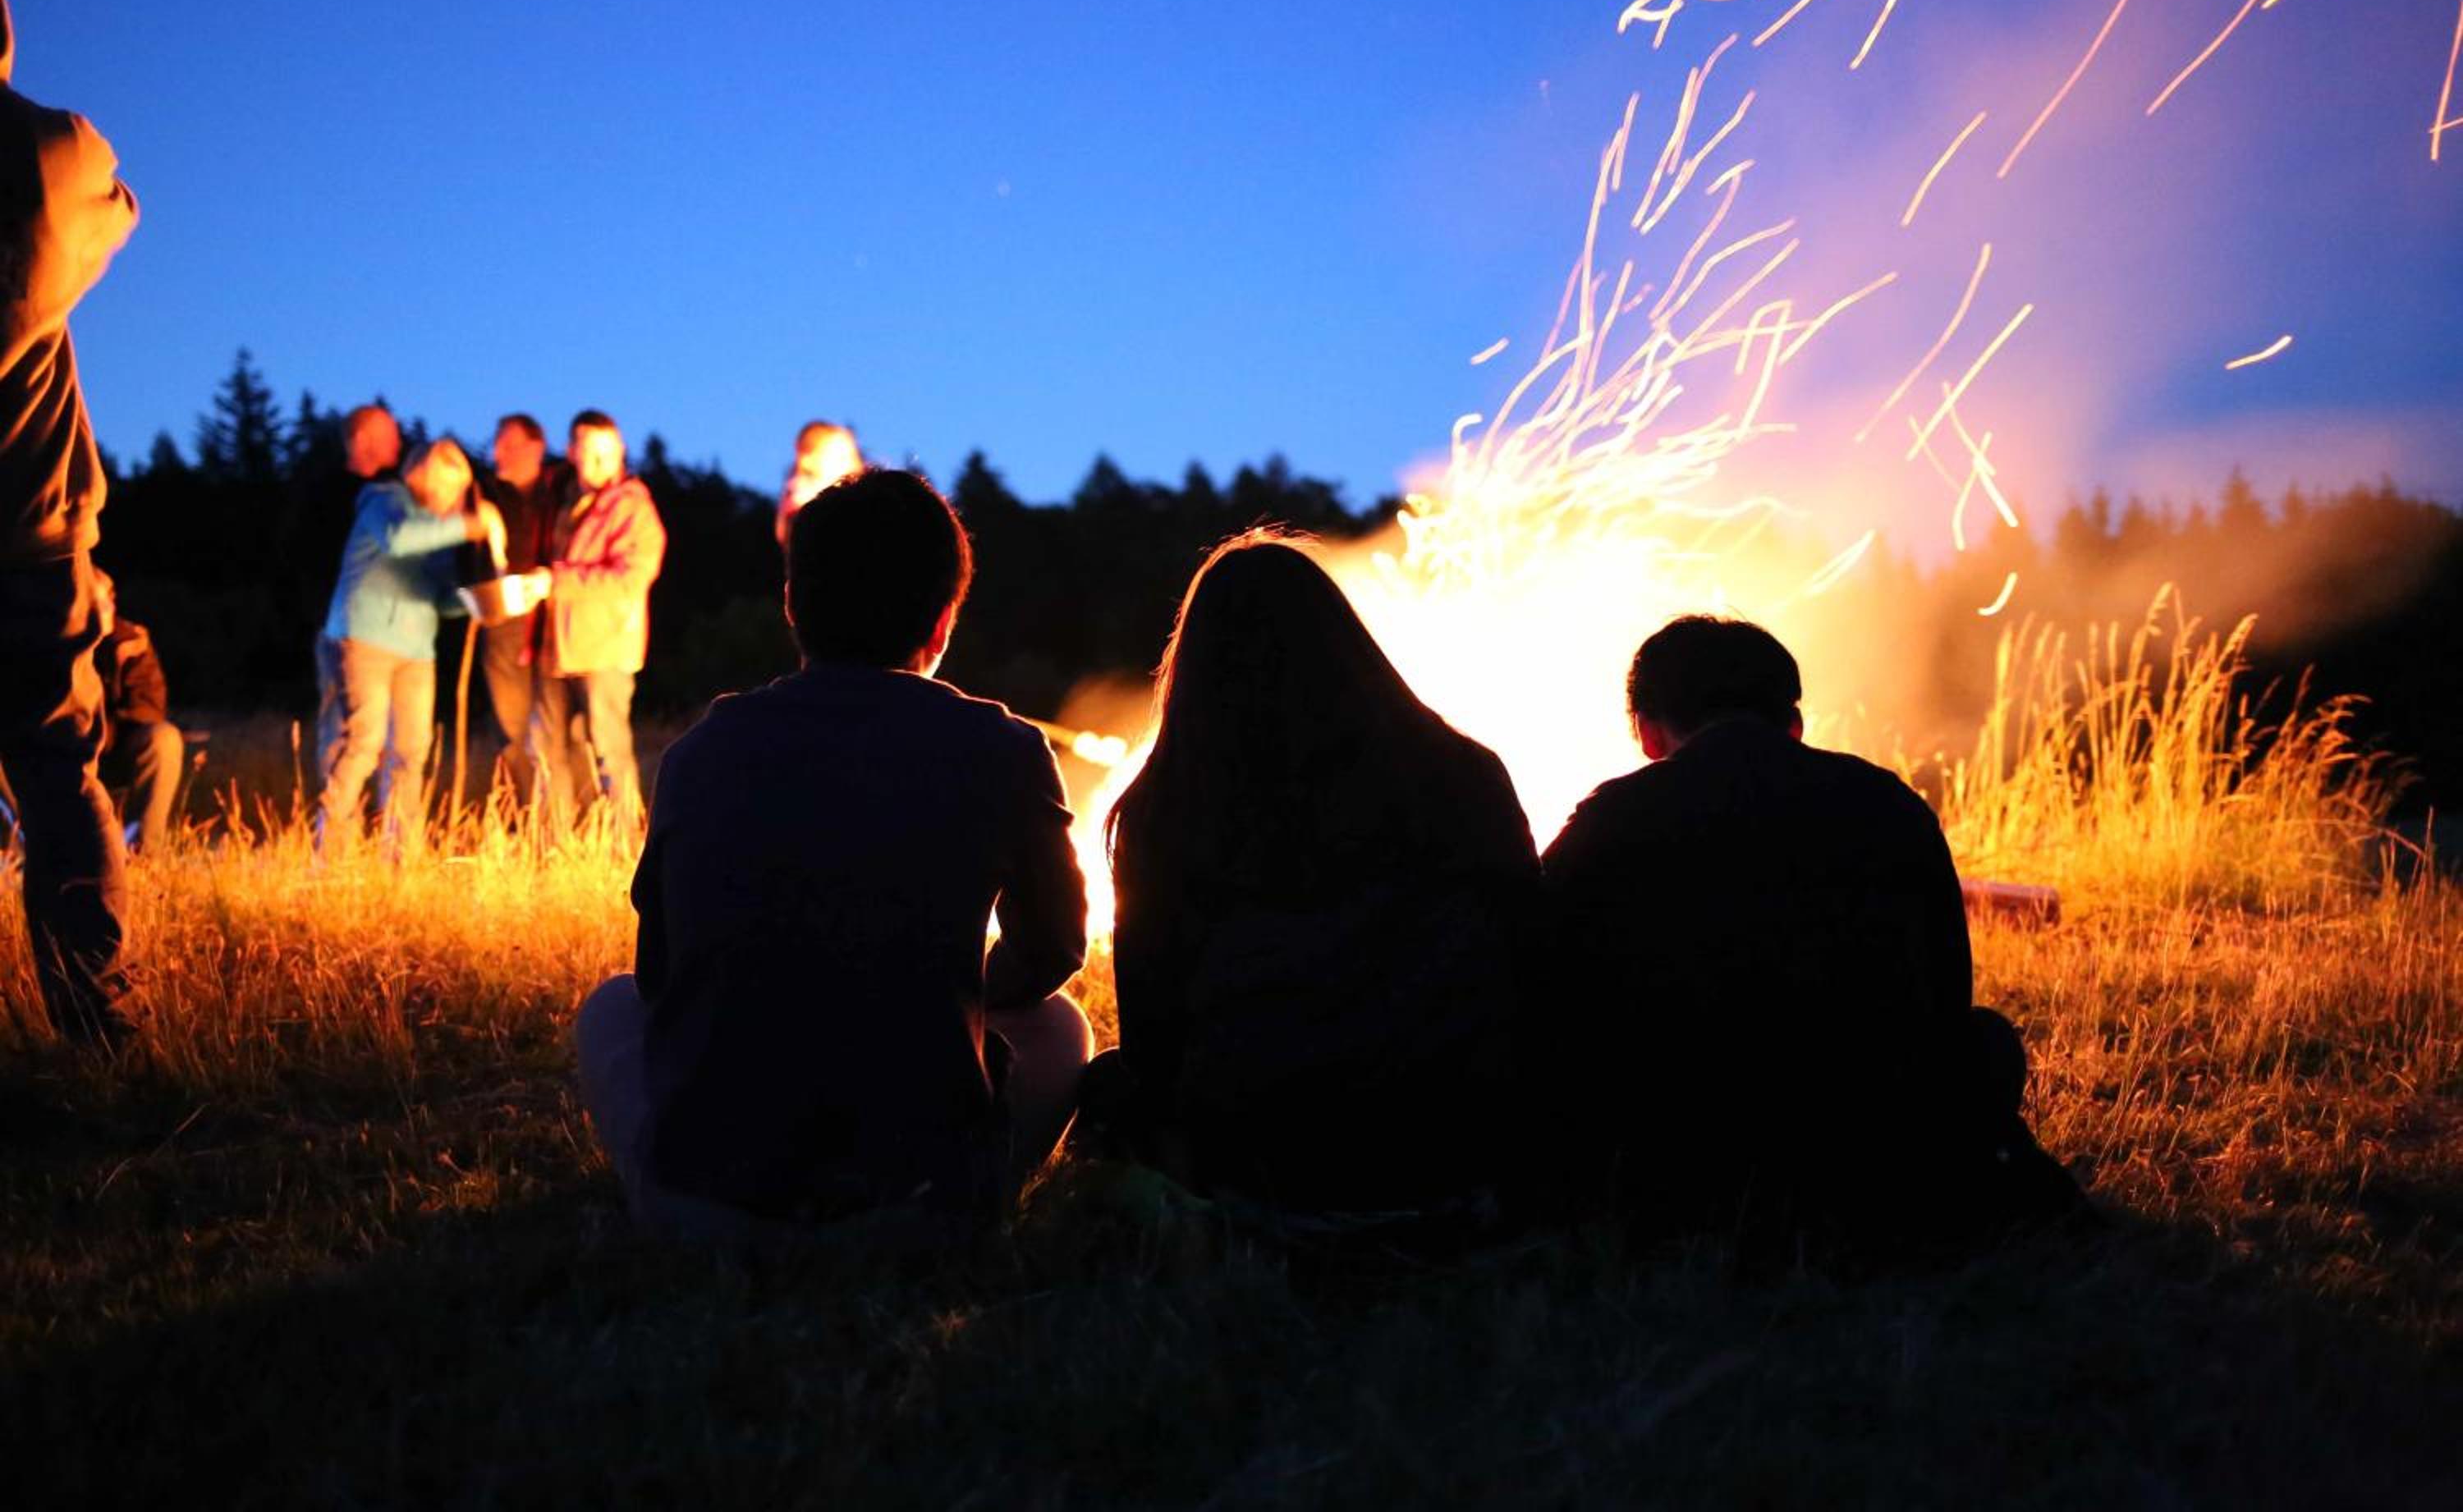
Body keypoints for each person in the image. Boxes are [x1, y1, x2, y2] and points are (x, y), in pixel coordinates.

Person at [576, 466, 1093, 1244]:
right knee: (1062, 1027)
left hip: (709, 1203)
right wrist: (962, 997)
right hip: (925, 1199)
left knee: (610, 1008)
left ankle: (694, 1192)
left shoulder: (702, 750)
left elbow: (661, 971)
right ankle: (940, 1194)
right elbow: (1054, 949)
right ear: (943, 622)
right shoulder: (1005, 747)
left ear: (792, 604)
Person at [1534, 615, 2080, 1260]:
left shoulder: (1607, 821)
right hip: (1874, 1145)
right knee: (1986, 1041)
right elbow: (1944, 991)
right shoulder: (1889, 804)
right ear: (1793, 722)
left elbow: (1539, 983)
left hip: (1676, 1157)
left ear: (1649, 732)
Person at [1096, 535, 1539, 1218]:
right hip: (1454, 1138)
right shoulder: (1465, 772)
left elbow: (1152, 1044)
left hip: (1261, 1154)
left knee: (1104, 1086)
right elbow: (1531, 951)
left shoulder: (1166, 809)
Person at [0, 0, 141, 1046]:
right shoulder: (47, 151)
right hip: (33, 526)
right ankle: (98, 1025)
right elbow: (118, 206)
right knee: (57, 771)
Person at [316, 438, 502, 845]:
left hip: (417, 652)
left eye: (460, 491)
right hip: (364, 640)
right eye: (450, 487)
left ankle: (402, 850)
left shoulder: (437, 530)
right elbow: (398, 539)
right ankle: (330, 845)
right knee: (363, 742)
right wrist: (472, 524)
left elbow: (438, 598)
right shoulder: (384, 501)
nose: (455, 498)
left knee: (411, 751)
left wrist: (483, 602)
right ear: (426, 476)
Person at [536, 410, 664, 828]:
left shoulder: (633, 507)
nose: (598, 463)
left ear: (621, 452)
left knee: (610, 750)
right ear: (571, 451)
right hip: (560, 647)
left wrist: (556, 581)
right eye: (589, 453)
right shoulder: (563, 499)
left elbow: (632, 577)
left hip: (607, 647)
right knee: (557, 750)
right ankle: (561, 841)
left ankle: (624, 841)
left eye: (606, 454)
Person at [469, 412, 571, 809]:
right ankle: (527, 814)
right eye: (497, 444)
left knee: (557, 730)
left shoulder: (559, 488)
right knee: (511, 728)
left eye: (509, 445)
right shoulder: (485, 493)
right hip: (503, 620)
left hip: (553, 621)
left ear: (536, 448)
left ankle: (565, 817)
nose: (498, 452)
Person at [309, 402, 404, 803]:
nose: (398, 443)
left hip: (393, 633)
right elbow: (300, 558)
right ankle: (338, 822)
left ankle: (386, 822)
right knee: (344, 730)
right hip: (340, 631)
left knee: (392, 734)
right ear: (362, 440)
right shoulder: (328, 496)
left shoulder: (395, 495)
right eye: (389, 435)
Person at [91, 569, 184, 853]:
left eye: (108, 599)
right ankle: (29, 847)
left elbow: (147, 708)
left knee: (164, 739)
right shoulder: (51, 647)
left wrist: (99, 735)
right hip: (59, 755)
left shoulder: (130, 644)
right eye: (95, 603)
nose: (106, 608)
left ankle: (140, 849)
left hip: (110, 750)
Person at [773, 420, 861, 548]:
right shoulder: (806, 518)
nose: (855, 465)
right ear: (807, 460)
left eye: (853, 455)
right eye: (841, 457)